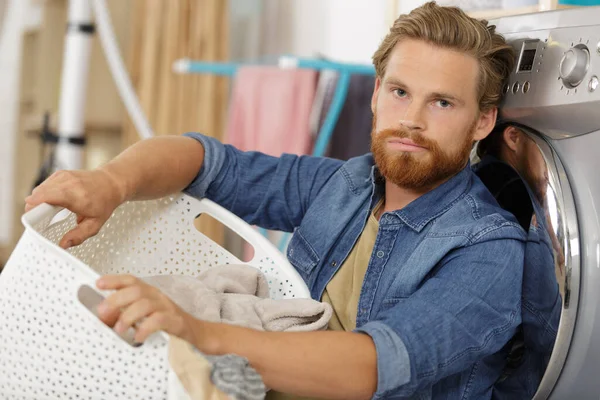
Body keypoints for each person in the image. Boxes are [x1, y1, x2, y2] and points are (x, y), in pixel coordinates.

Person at [25, 3, 528, 399]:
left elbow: (372, 367)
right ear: (376, 94)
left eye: (442, 102)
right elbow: (205, 161)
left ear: (483, 122)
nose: (412, 119)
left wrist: (198, 332)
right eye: (400, 92)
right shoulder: (343, 185)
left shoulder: (491, 249)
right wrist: (110, 184)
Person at [473, 123, 563, 398]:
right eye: (547, 150)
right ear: (513, 137)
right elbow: (547, 326)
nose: (553, 169)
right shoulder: (508, 188)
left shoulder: (478, 180)